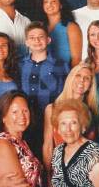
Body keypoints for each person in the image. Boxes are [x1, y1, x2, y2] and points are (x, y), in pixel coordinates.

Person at [19, 21, 69, 157]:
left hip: (51, 121)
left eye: (41, 37)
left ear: (48, 40)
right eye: (32, 38)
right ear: (26, 42)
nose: (37, 41)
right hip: (26, 122)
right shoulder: (20, 65)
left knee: (50, 155)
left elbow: (66, 94)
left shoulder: (60, 65)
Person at [42, 61, 99, 177]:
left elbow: (94, 148)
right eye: (78, 76)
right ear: (70, 79)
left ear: (90, 86)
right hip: (58, 172)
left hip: (84, 173)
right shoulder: (52, 108)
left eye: (86, 78)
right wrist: (48, 177)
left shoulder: (92, 113)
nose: (81, 81)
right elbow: (48, 146)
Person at [37, 0, 82, 67]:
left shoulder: (71, 27)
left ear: (61, 5)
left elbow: (76, 59)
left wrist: (70, 78)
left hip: (64, 74)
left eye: (53, 1)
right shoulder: (39, 26)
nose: (49, 5)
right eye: (46, 2)